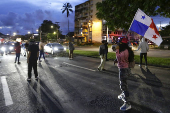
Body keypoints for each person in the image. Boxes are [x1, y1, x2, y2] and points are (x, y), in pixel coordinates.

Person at [113, 37, 132, 111]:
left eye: (119, 43)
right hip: (124, 68)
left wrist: (117, 50)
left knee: (123, 86)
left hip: (124, 69)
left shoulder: (125, 51)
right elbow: (120, 59)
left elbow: (119, 58)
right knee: (124, 84)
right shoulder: (125, 50)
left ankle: (127, 103)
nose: (118, 44)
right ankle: (123, 94)